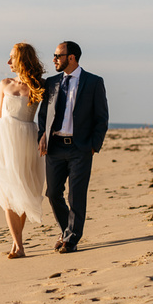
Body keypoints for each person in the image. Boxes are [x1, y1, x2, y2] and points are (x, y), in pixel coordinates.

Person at [38, 41, 109, 254]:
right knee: (52, 193)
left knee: (76, 195)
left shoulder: (94, 82)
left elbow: (101, 117)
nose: (54, 59)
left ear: (72, 57)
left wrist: (94, 146)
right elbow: (44, 115)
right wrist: (42, 136)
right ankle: (65, 230)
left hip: (80, 148)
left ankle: (71, 239)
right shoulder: (51, 82)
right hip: (55, 147)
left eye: (58, 55)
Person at [0, 42, 46, 259]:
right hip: (3, 141)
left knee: (23, 192)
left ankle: (18, 243)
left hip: (26, 141)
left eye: (12, 58)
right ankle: (19, 245)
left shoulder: (40, 85)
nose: (8, 62)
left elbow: (49, 116)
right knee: (8, 194)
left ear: (23, 59)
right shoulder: (4, 83)